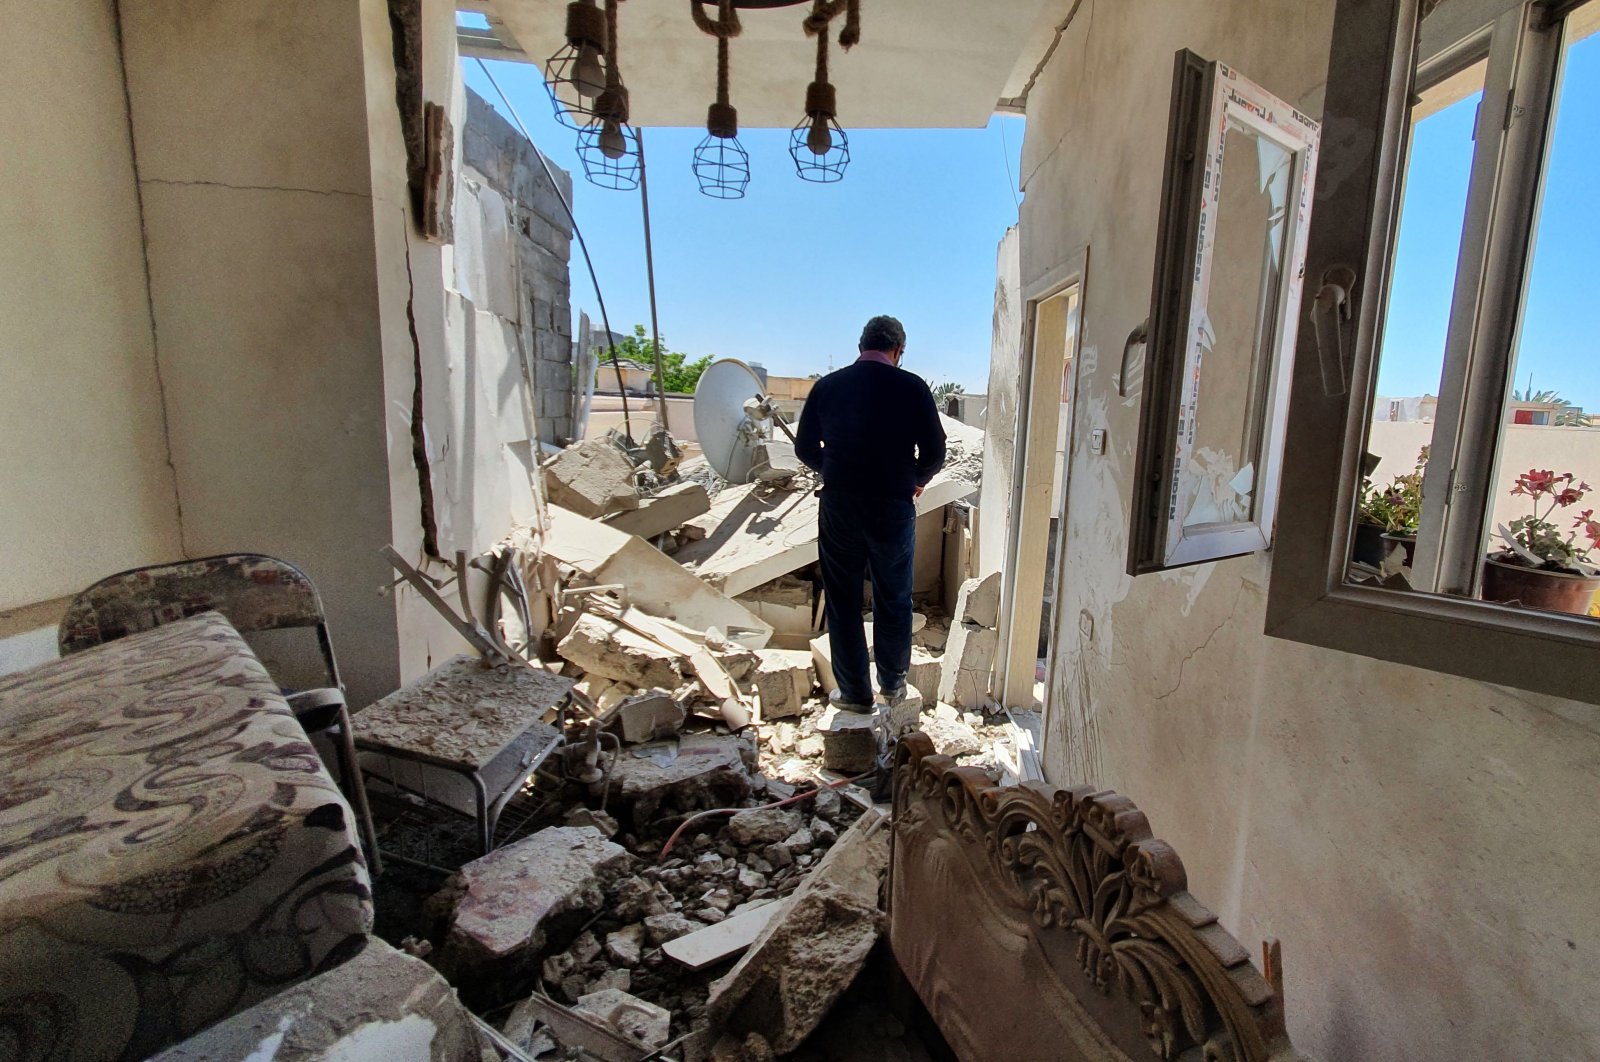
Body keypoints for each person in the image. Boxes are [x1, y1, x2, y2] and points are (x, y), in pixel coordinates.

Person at [795, 315, 946, 713]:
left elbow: (805, 447)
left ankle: (855, 695)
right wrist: (916, 480)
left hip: (840, 505)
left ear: (860, 346)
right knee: (893, 597)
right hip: (892, 506)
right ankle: (893, 685)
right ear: (898, 350)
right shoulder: (911, 387)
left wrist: (835, 469)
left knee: (843, 600)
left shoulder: (827, 387)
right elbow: (935, 452)